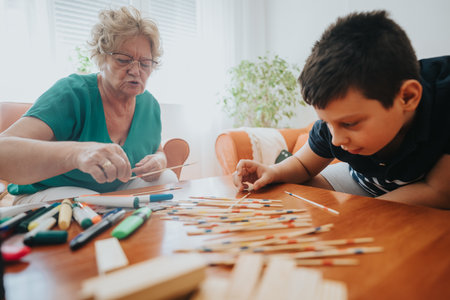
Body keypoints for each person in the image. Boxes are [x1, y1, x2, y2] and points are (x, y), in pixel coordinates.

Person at [234, 11, 450, 209]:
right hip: (362, 180)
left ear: (407, 97)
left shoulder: (444, 103)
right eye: (327, 122)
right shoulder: (333, 129)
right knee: (293, 197)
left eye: (349, 123)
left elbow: (438, 192)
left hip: (427, 187)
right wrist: (272, 171)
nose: (336, 139)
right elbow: (303, 165)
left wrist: (359, 213)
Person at [0, 6, 178, 204]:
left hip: (111, 190)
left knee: (167, 179)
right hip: (51, 192)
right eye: (123, 60)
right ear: (101, 58)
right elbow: (2, 151)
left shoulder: (149, 104)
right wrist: (77, 153)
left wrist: (160, 160)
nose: (136, 71)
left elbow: (156, 148)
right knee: (89, 202)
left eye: (145, 63)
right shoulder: (72, 93)